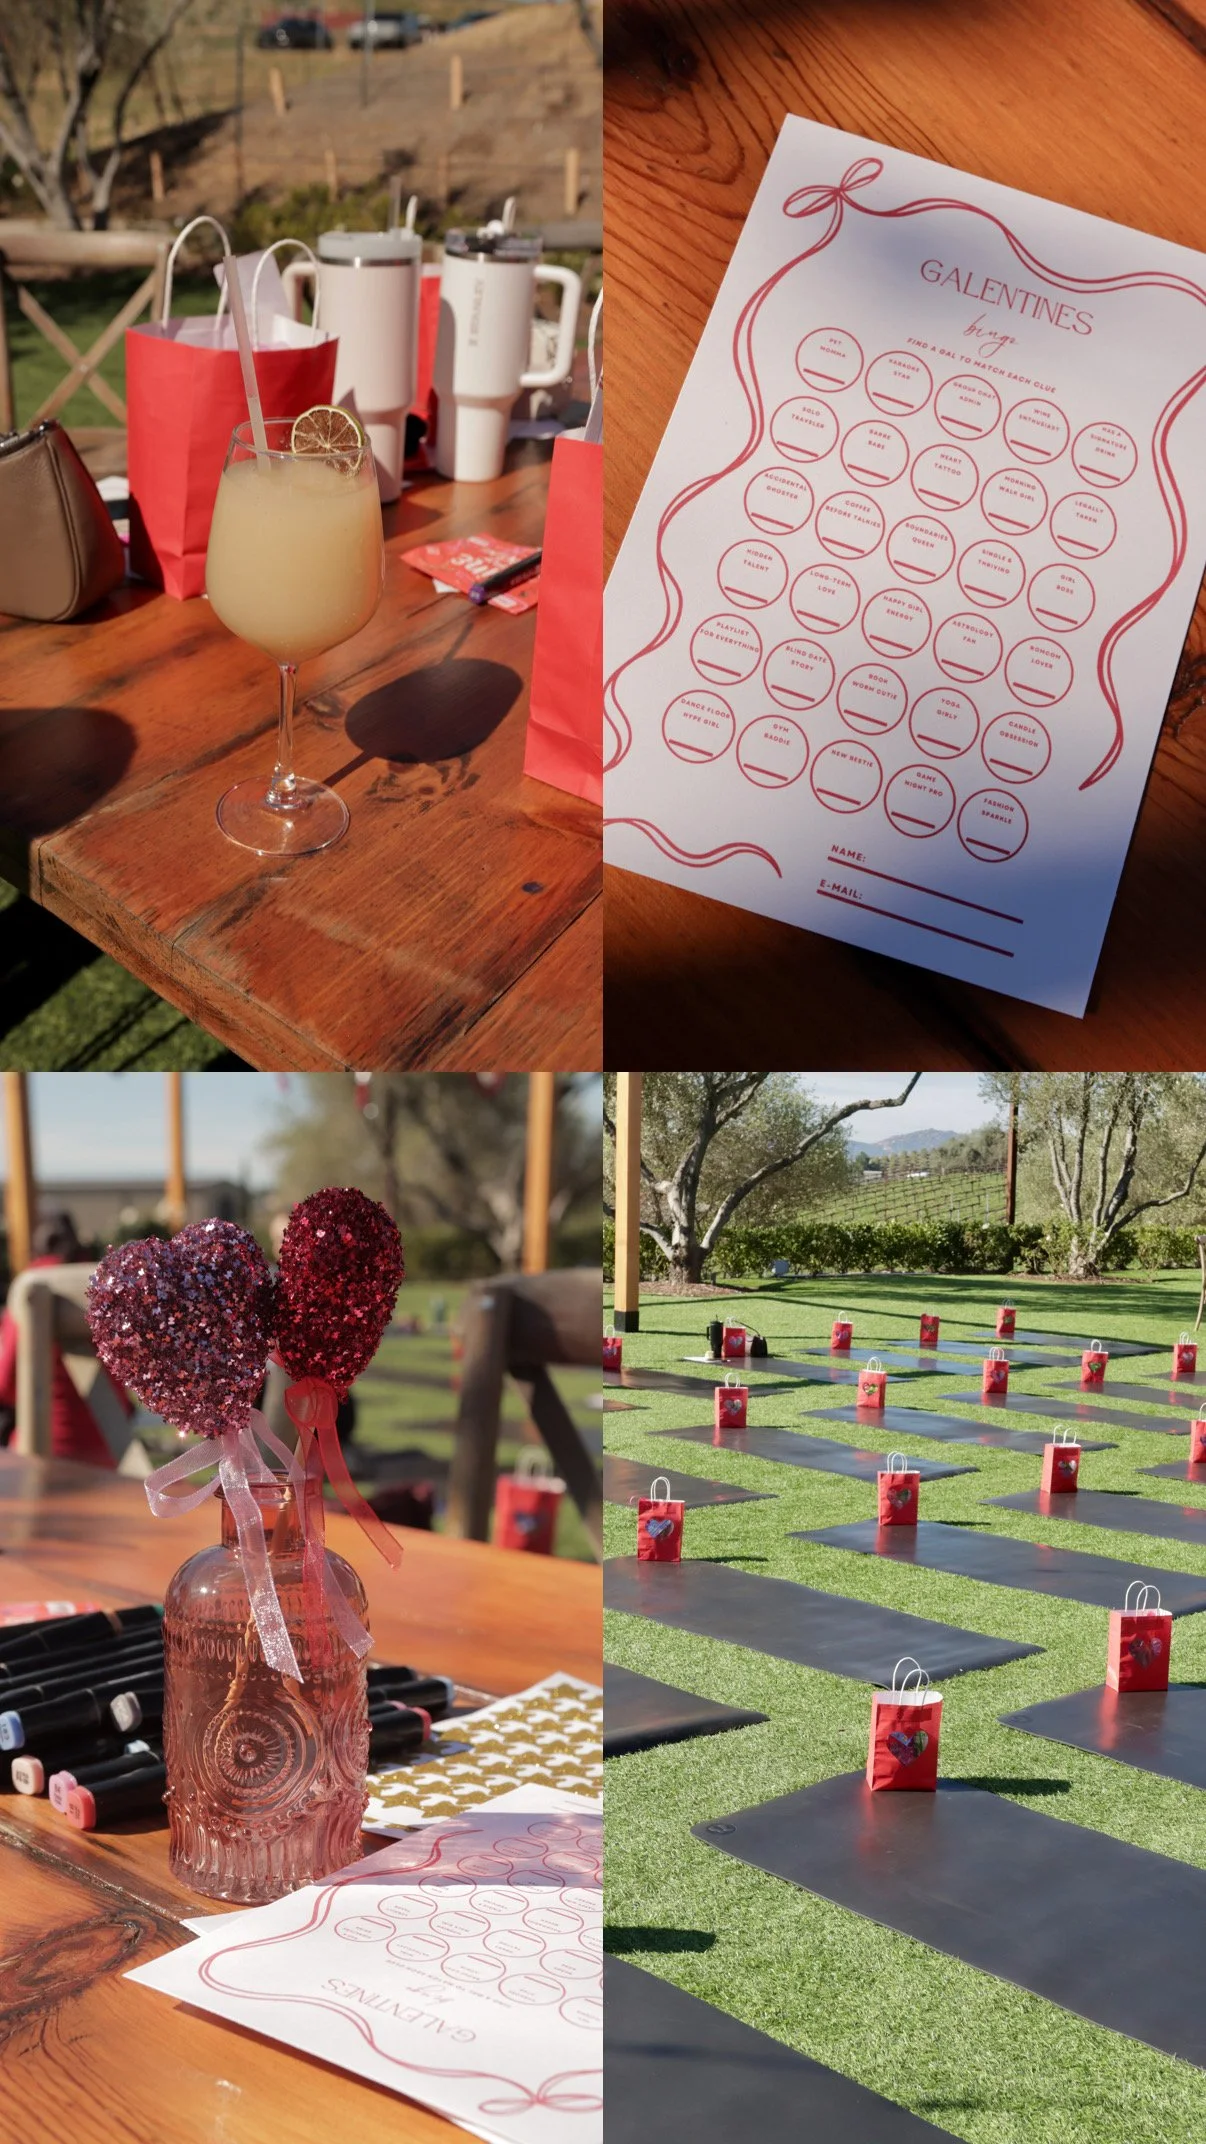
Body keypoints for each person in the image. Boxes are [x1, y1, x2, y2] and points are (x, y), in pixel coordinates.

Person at [0, 1214, 127, 1467]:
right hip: (113, 1447)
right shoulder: (103, 1286)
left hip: (43, 1449)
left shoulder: (29, 1289)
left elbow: (5, 1384)